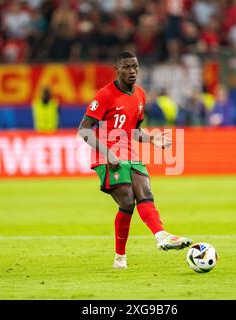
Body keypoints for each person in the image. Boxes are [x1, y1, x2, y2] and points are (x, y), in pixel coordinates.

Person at [77, 51, 193, 269]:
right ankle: (120, 256)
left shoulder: (140, 94)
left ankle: (162, 236)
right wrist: (107, 152)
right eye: (127, 67)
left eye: (135, 67)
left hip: (130, 152)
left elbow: (133, 130)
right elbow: (83, 129)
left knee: (145, 193)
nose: (132, 71)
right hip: (106, 155)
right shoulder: (104, 95)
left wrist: (152, 139)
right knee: (128, 201)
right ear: (117, 70)